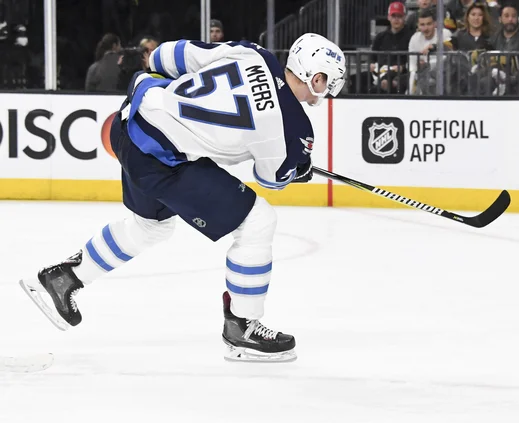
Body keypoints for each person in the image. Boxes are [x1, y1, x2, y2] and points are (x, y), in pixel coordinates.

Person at [19, 33, 346, 363]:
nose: (326, 92)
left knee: (151, 227)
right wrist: (297, 167)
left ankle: (62, 279)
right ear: (316, 78)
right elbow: (271, 179)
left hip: (131, 122)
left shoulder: (252, 54)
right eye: (328, 83)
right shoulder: (294, 127)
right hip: (161, 159)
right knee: (259, 220)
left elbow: (164, 56)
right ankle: (243, 326)